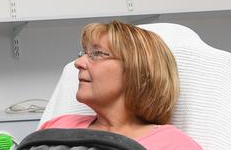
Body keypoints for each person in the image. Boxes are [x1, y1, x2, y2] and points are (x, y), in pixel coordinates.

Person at [39, 21, 202, 150]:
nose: (78, 63)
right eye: (84, 53)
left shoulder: (173, 145)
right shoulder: (58, 125)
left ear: (139, 71)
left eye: (97, 54)